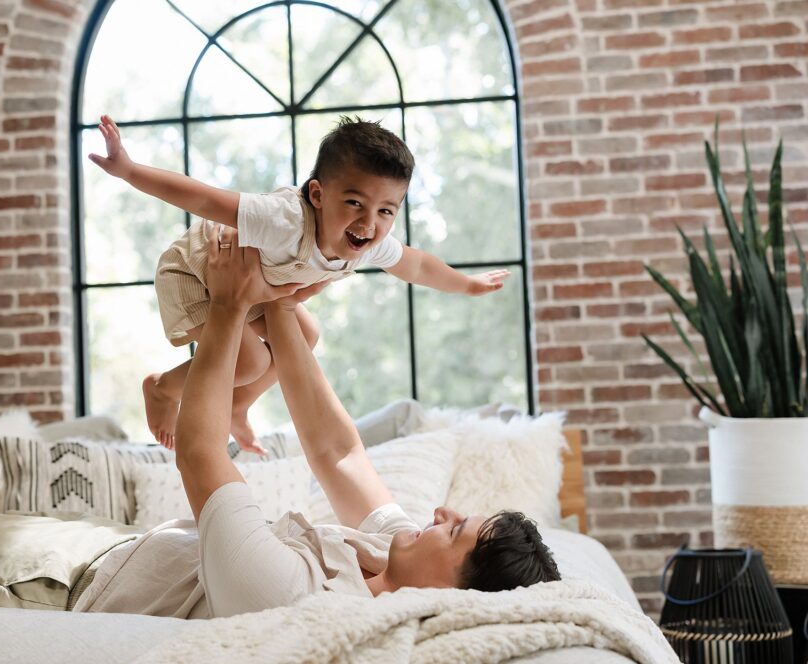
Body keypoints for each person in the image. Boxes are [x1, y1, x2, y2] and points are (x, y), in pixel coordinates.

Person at [0, 231, 558, 618]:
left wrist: (226, 309)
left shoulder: (297, 594)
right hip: (119, 550)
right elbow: (336, 448)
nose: (444, 512)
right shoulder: (379, 549)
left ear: (451, 597)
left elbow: (199, 456)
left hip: (76, 586)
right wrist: (278, 297)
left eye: (458, 534)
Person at [87, 114, 511, 454]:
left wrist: (467, 285)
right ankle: (161, 388)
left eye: (386, 210)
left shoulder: (367, 242)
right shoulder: (283, 220)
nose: (369, 222)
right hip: (199, 273)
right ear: (318, 195)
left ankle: (239, 403)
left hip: (253, 288)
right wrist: (128, 170)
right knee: (250, 362)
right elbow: (203, 198)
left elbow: (418, 266)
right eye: (354, 203)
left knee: (307, 333)